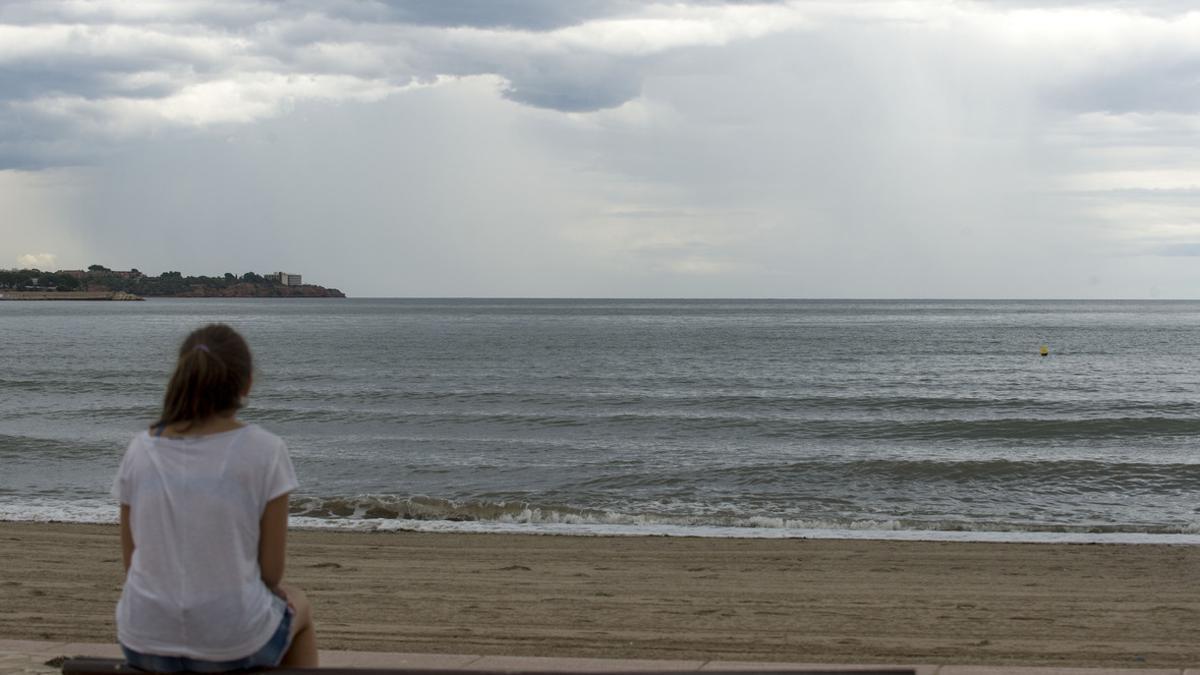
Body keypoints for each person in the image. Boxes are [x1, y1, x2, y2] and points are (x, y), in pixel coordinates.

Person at [112, 323, 318, 672]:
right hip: (232, 643)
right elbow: (270, 572)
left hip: (143, 635)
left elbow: (133, 563)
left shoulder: (140, 450)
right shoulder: (266, 450)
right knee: (301, 607)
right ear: (247, 383)